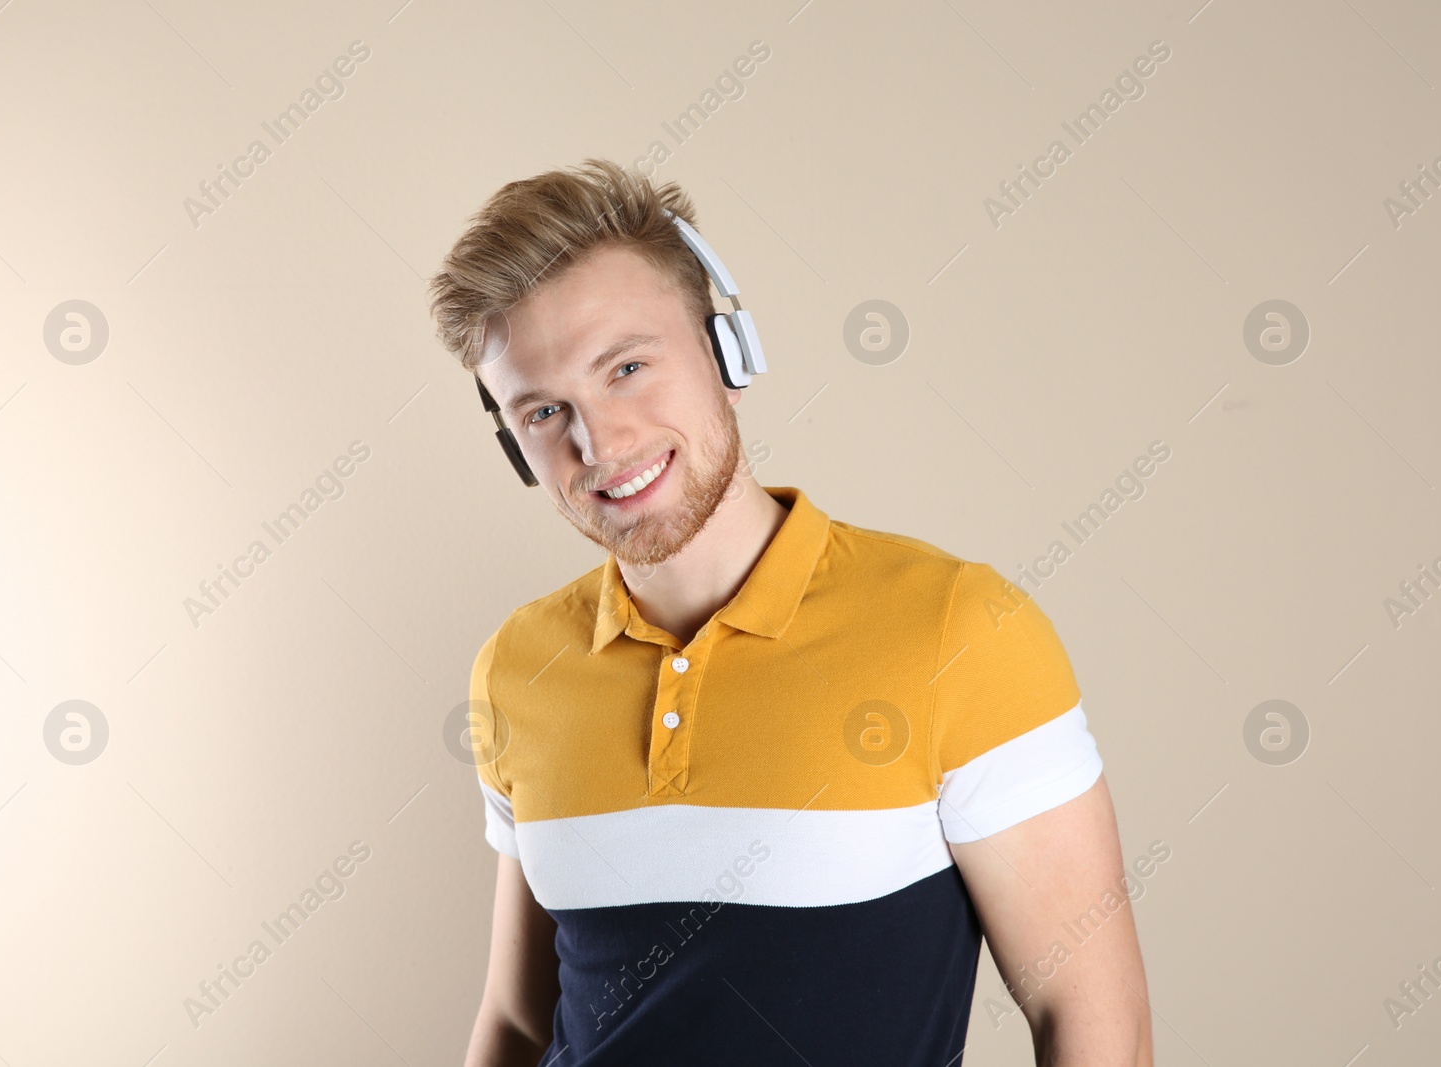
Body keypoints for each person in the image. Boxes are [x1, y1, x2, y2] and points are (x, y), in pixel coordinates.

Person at [429, 158, 1152, 1066]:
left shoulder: (962, 631)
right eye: (543, 410)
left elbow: (1095, 1025)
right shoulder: (516, 666)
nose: (599, 441)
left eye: (628, 366)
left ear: (730, 352)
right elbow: (518, 1021)